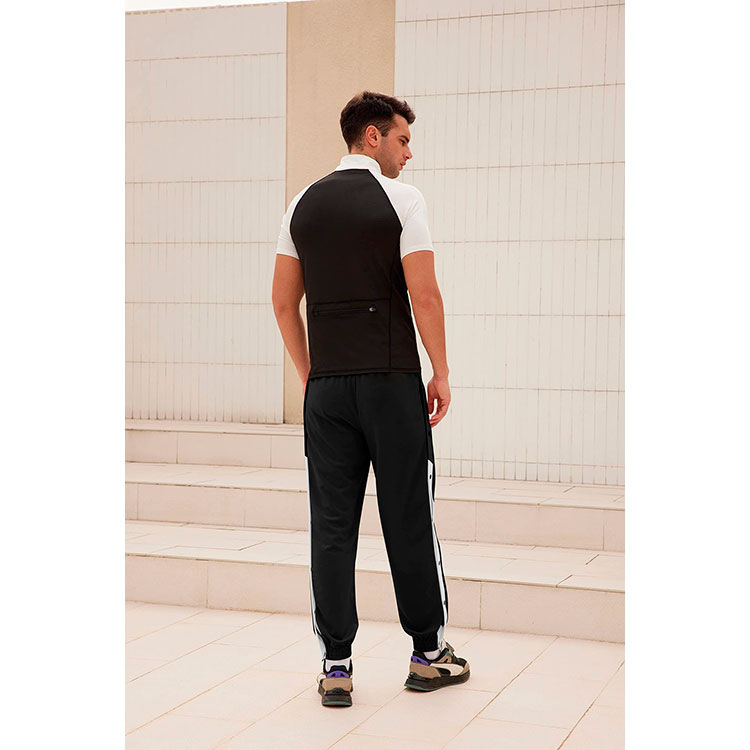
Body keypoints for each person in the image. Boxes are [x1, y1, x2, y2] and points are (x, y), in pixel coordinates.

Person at [271, 91, 470, 708]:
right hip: (389, 383)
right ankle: (428, 655)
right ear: (373, 137)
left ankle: (336, 665)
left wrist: (312, 374)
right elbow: (424, 294)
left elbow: (282, 302)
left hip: (328, 390)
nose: (408, 154)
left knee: (331, 526)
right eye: (403, 140)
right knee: (408, 516)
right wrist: (440, 371)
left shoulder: (301, 203)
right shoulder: (403, 200)